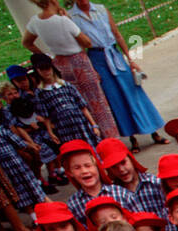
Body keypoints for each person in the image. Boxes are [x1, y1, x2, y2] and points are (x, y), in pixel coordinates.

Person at [69, 0, 166, 150]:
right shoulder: (72, 17)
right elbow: (80, 47)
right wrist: (91, 69)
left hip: (114, 55)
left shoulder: (101, 10)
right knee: (114, 99)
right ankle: (132, 138)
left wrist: (130, 60)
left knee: (134, 93)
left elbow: (117, 34)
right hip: (96, 58)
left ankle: (153, 132)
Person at [22, 0, 119, 140]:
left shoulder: (35, 22)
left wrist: (45, 55)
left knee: (74, 101)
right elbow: (87, 42)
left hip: (60, 63)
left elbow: (26, 42)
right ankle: (110, 137)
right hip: (79, 61)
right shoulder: (63, 21)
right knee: (96, 101)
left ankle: (91, 137)